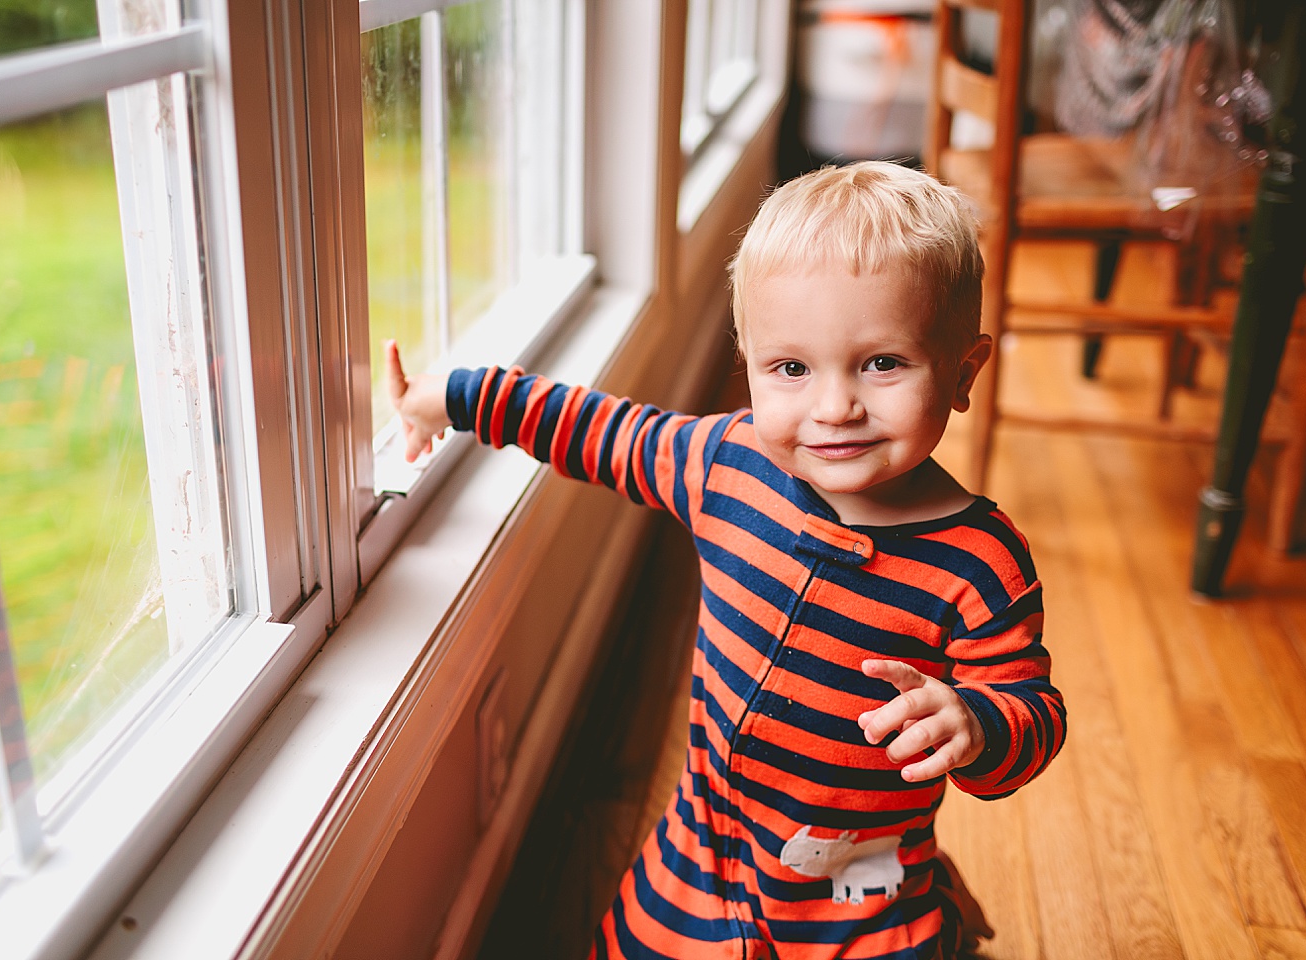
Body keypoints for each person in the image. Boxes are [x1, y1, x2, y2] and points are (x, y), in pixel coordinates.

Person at [386, 161, 1065, 959]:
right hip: (704, 848)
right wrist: (457, 396)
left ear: (961, 370)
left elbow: (1033, 713)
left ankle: (940, 921)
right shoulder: (726, 460)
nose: (834, 405)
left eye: (882, 363)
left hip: (860, 889)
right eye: (791, 369)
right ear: (746, 362)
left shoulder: (980, 561)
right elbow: (596, 429)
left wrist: (975, 724)